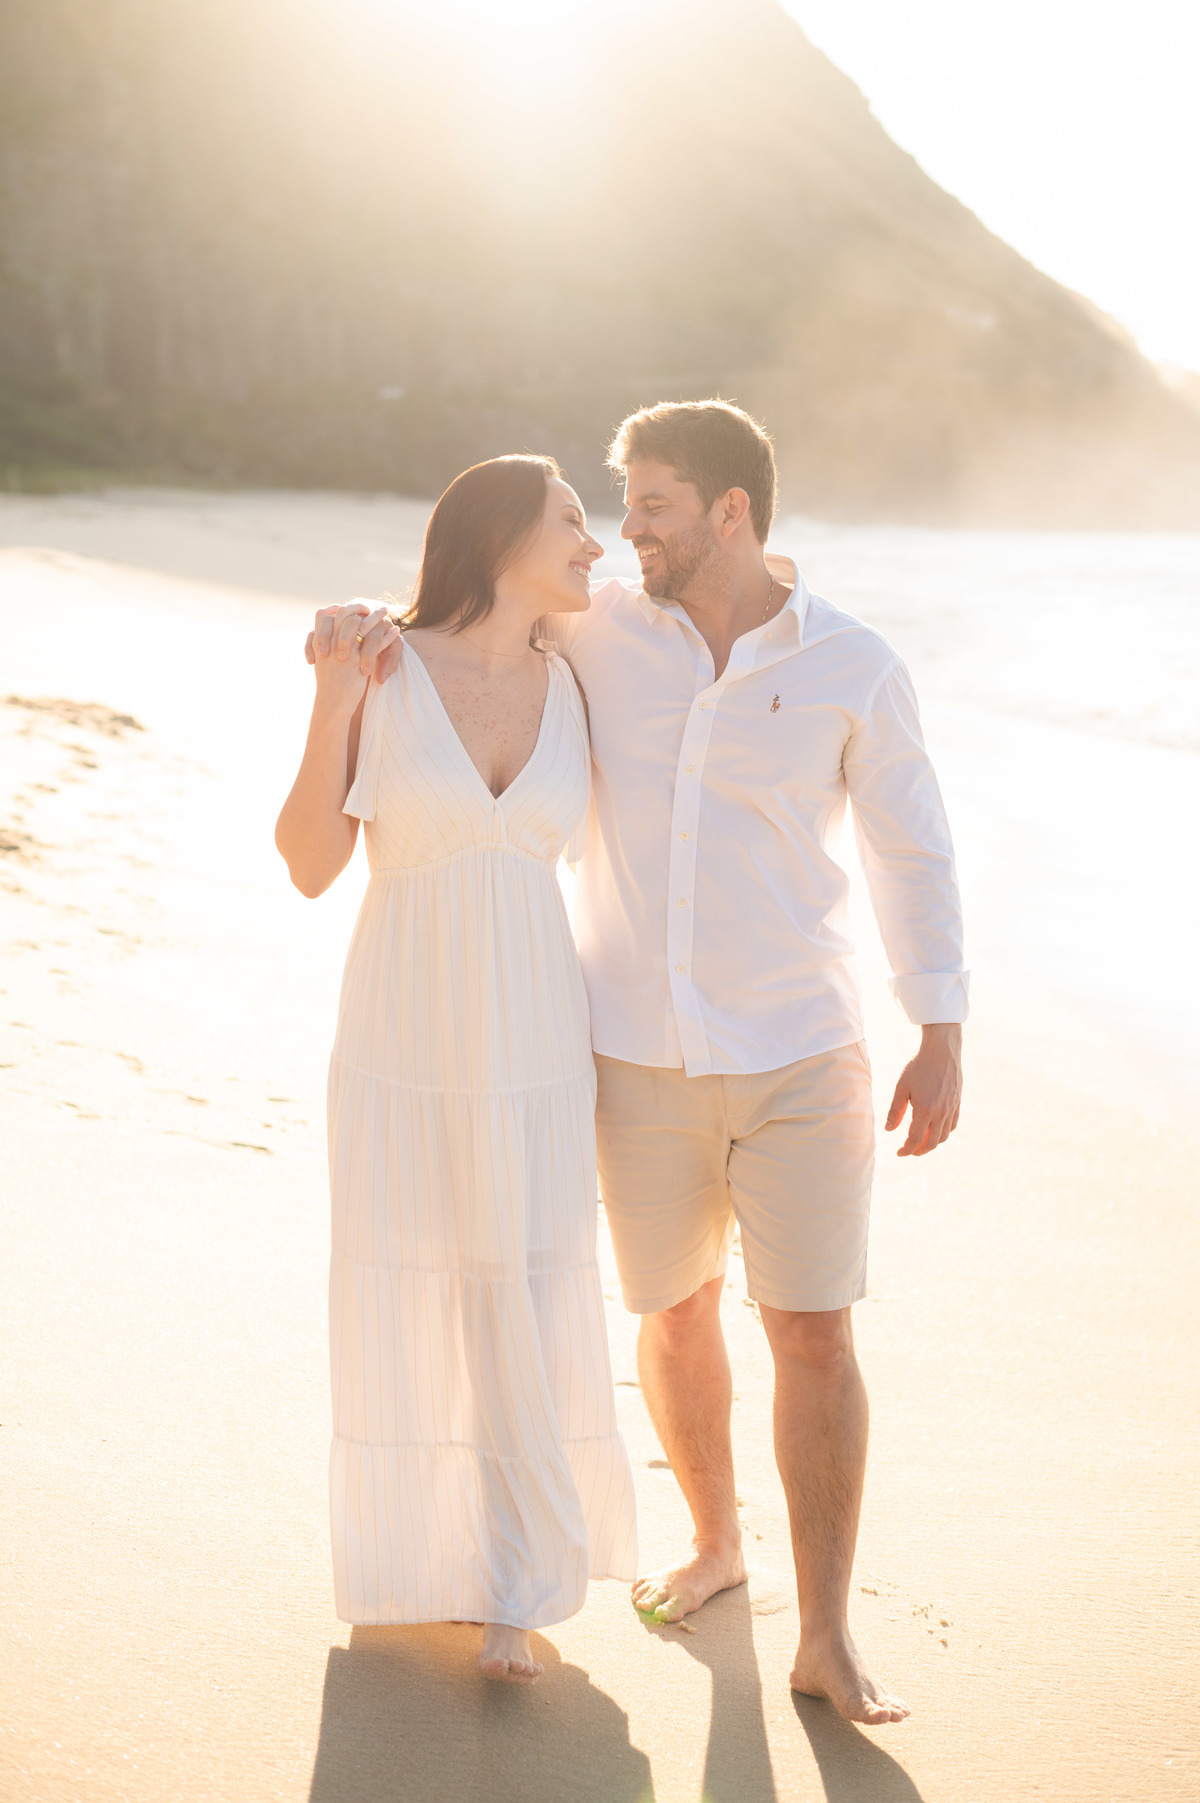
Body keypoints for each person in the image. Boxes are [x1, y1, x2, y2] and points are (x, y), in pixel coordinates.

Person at [318, 399, 967, 1726]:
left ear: (730, 510)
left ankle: (827, 1633)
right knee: (671, 1312)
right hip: (629, 1049)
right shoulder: (596, 631)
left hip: (800, 1045)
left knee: (812, 1329)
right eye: (616, 509)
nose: (627, 534)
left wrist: (940, 1022)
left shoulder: (853, 662)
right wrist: (352, 627)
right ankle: (716, 1544)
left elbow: (911, 843)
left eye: (654, 505)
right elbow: (461, 618)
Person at [277, 454, 637, 1685]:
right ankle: (427, 1558)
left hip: (537, 1028)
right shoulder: (383, 665)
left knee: (522, 1281)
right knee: (423, 1276)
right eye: (574, 520)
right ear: (497, 536)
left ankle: (519, 1581)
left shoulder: (578, 677)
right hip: (407, 1024)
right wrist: (333, 694)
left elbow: (758, 590)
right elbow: (310, 864)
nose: (596, 543)